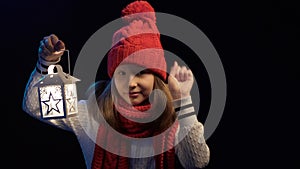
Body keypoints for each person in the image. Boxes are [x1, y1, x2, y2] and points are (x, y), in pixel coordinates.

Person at [22, 1, 210, 168]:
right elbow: (33, 106)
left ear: (156, 76)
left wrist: (182, 99)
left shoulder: (172, 119)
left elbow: (197, 162)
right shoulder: (91, 115)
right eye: (122, 73)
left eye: (141, 73)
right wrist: (46, 64)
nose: (131, 83)